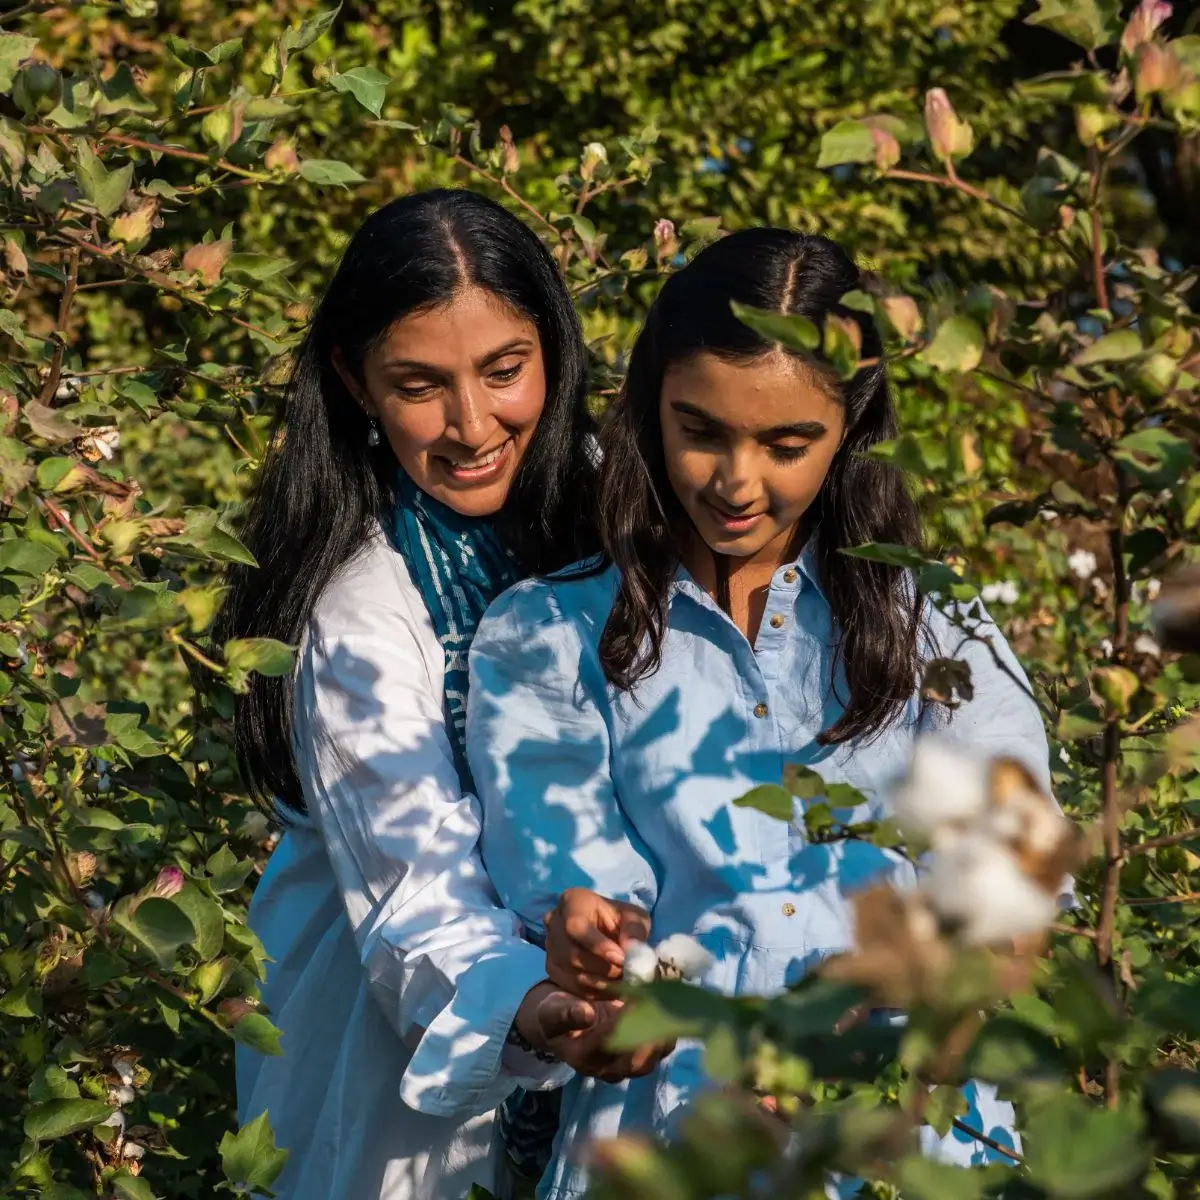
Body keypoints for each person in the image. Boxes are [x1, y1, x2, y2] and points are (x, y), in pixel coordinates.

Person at [466, 228, 1052, 1200]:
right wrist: (590, 939)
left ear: (851, 427)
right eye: (701, 431)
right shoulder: (548, 633)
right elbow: (565, 877)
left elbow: (1010, 893)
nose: (737, 483)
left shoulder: (937, 630)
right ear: (650, 407)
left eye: (786, 445)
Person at [216, 188, 666, 1200]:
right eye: (421, 385)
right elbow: (416, 904)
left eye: (505, 372)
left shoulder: (625, 510)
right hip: (395, 1093)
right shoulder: (363, 609)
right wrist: (532, 1008)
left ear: (553, 346)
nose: (472, 426)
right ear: (354, 381)